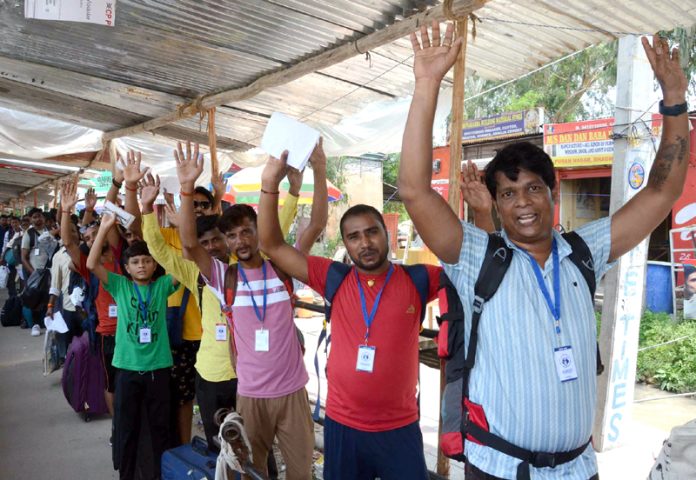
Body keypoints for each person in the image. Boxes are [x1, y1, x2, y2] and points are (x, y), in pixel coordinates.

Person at [398, 22, 689, 480]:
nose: (524, 203)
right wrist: (427, 83)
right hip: (499, 468)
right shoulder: (476, 256)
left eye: (533, 188)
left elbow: (661, 192)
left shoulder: (584, 250)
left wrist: (674, 99)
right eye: (509, 194)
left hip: (577, 470)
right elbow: (415, 190)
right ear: (495, 203)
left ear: (553, 192)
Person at [258, 152, 442, 479]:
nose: (365, 243)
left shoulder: (418, 279)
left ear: (385, 234)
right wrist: (269, 185)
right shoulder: (334, 277)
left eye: (371, 232)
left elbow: (470, 270)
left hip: (399, 428)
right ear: (345, 244)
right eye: (354, 237)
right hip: (344, 426)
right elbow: (271, 244)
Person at [176, 141, 316, 479]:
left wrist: (303, 183)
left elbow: (313, 227)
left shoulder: (283, 268)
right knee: (250, 472)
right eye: (232, 235)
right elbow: (190, 244)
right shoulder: (224, 277)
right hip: (250, 395)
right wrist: (184, 190)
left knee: (301, 472)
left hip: (293, 392)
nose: (241, 241)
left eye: (246, 232)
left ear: (258, 232)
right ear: (225, 241)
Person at [141, 170, 307, 453]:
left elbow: (275, 228)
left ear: (227, 239)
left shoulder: (251, 264)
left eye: (217, 239)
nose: (211, 247)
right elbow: (158, 249)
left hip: (250, 377)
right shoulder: (193, 271)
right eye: (203, 243)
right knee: (223, 451)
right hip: (210, 374)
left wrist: (292, 191)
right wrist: (146, 209)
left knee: (257, 451)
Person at [87, 212, 178, 480]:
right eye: (135, 262)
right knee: (126, 431)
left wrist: (173, 231)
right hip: (126, 370)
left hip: (158, 369)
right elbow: (92, 263)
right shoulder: (120, 286)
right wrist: (104, 228)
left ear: (155, 265)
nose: (141, 266)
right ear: (126, 267)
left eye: (147, 261)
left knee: (161, 430)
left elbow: (185, 263)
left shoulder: (162, 286)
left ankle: (161, 475)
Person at [47, 218, 84, 360]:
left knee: (88, 341)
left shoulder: (88, 250)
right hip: (68, 307)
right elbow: (55, 285)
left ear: (78, 233)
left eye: (73, 231)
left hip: (87, 307)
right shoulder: (58, 256)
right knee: (70, 343)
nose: (70, 234)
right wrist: (50, 305)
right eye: (66, 232)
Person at [21, 207, 58, 335]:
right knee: (35, 298)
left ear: (44, 218)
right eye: (35, 217)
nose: (38, 219)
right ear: (31, 219)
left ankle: (47, 322)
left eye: (40, 216)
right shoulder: (29, 234)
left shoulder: (50, 231)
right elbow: (23, 257)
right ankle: (35, 325)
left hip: (49, 271)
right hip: (35, 272)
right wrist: (33, 273)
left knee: (48, 297)